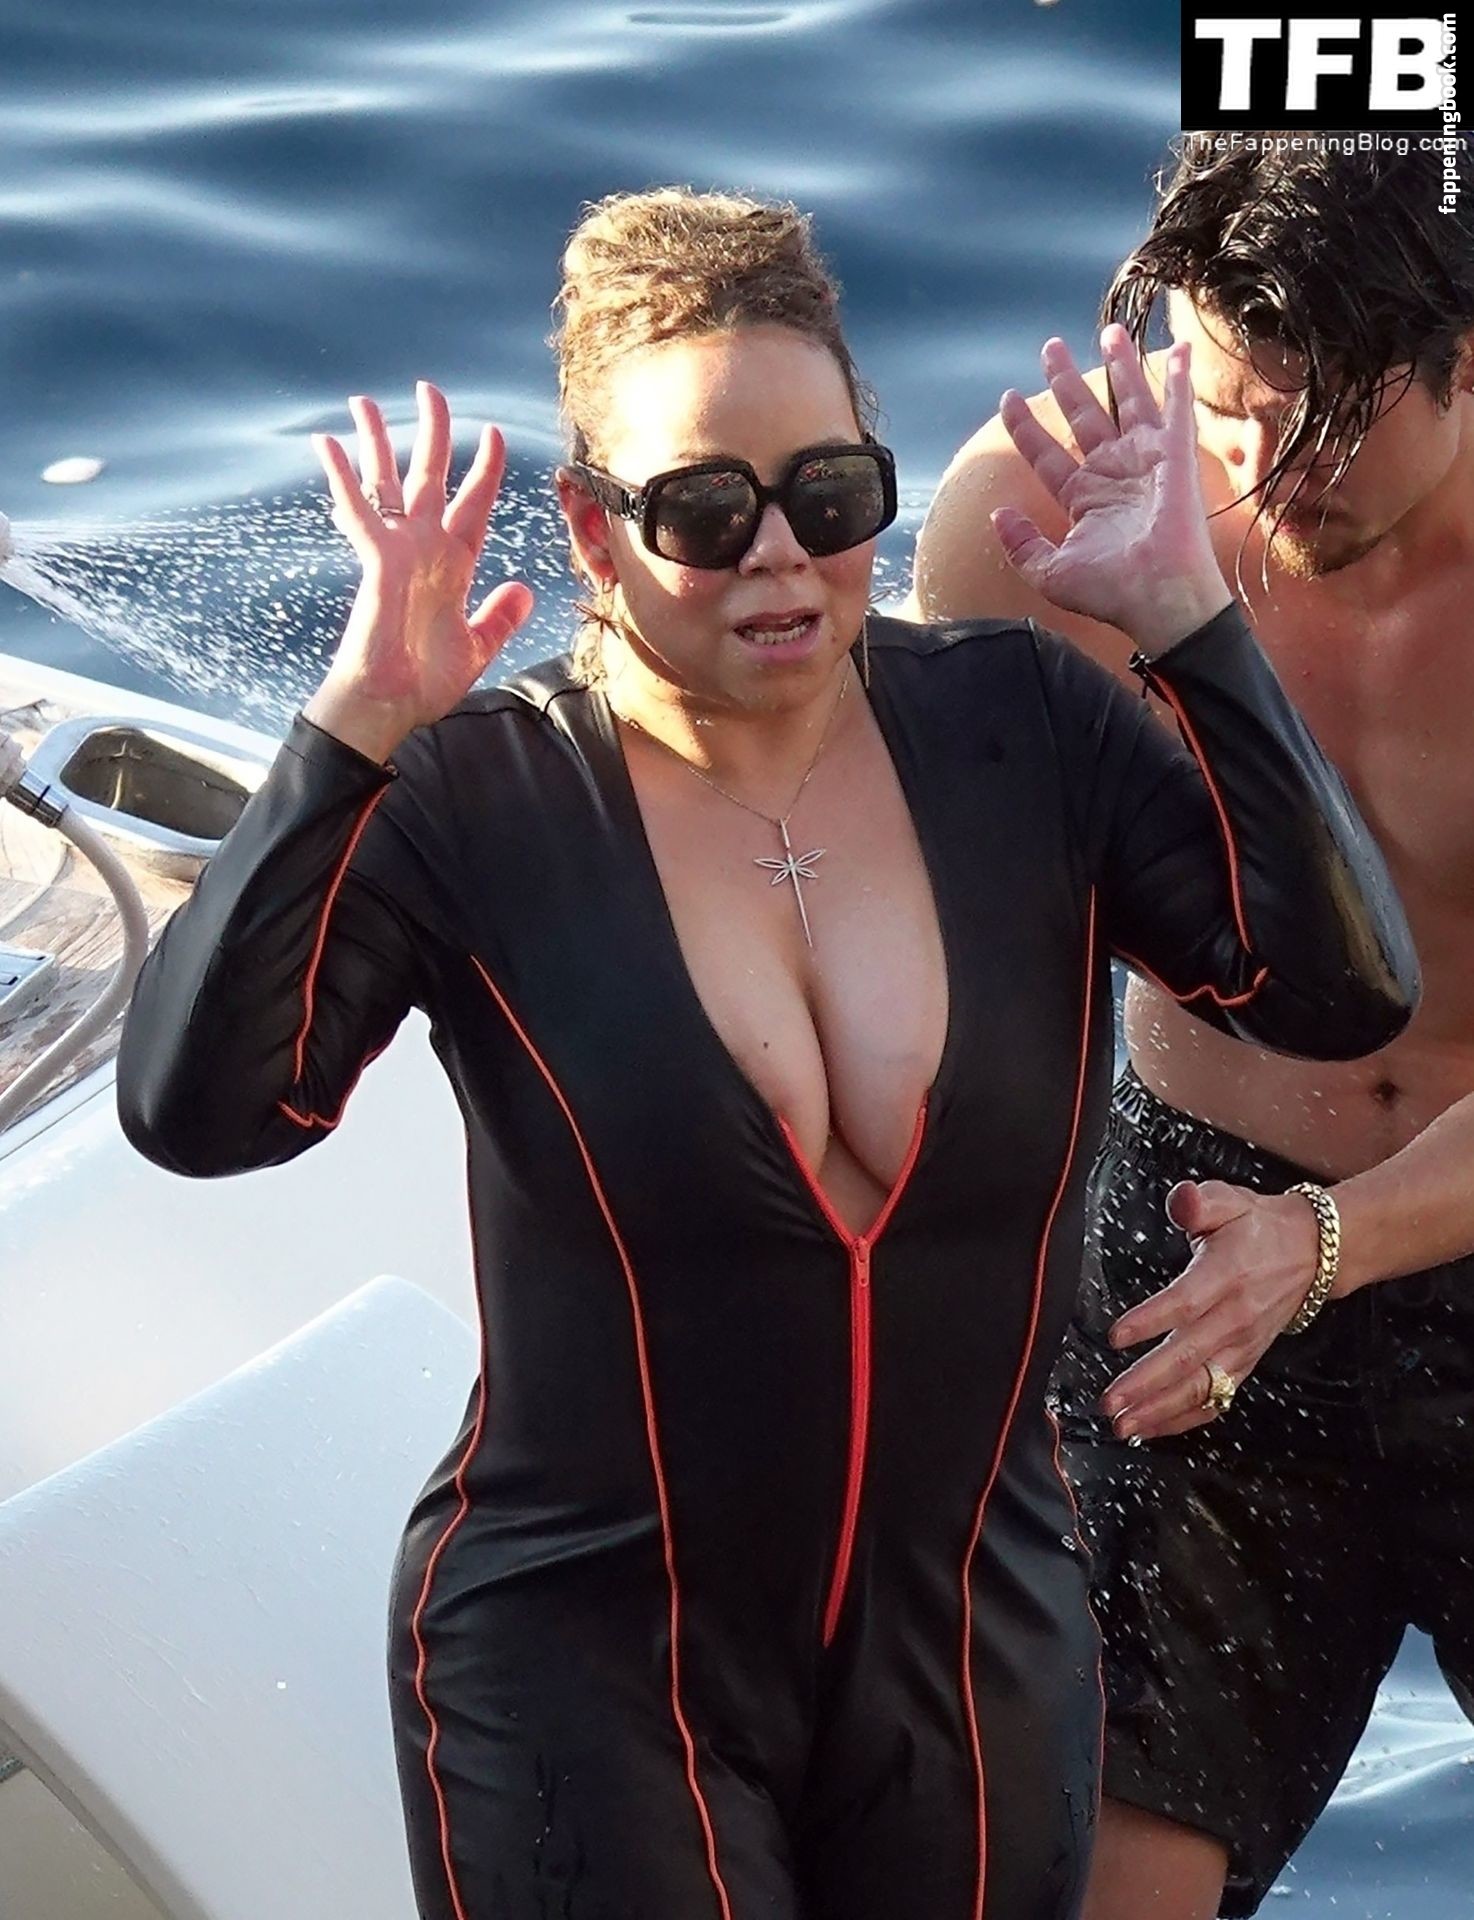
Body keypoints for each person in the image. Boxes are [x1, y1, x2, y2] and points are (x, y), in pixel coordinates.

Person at [116, 187, 1415, 1920]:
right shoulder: (478, 800)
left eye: (829, 495)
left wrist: (1189, 619)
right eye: (704, 512)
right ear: (592, 531)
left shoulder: (1025, 730)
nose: (779, 555)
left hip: (967, 1646)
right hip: (591, 1663)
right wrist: (348, 733)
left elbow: (1332, 994)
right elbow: (202, 1112)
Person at [911, 133, 1474, 1920]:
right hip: (1191, 1240)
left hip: (1414, 1227)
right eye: (1230, 406)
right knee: (1071, 1878)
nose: (1261, 474)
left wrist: (1332, 1239)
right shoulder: (1030, 525)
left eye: (1329, 423)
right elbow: (947, 976)